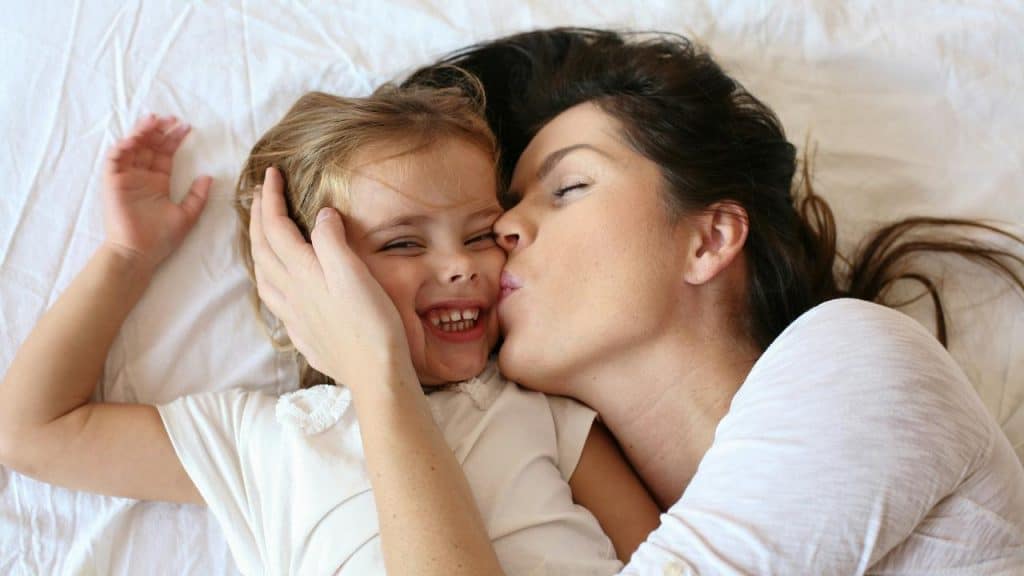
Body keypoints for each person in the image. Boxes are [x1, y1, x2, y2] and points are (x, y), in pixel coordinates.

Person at [250, 28, 1024, 574]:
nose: (503, 232)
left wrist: (378, 375)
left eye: (568, 187)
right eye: (502, 212)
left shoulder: (852, 361)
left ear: (708, 239)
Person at [0, 79, 661, 575]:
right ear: (302, 278)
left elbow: (668, 558)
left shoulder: (546, 414)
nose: (461, 265)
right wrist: (127, 259)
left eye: (481, 234)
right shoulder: (269, 440)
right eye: (402, 243)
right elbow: (33, 431)